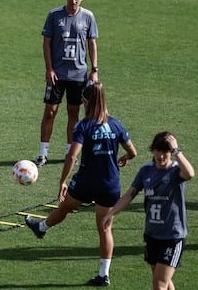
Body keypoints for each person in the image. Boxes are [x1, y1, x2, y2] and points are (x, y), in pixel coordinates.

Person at [25, 82, 137, 286]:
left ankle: (42, 227)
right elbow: (133, 151)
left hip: (86, 182)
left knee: (66, 206)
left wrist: (63, 181)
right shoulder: (116, 124)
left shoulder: (83, 126)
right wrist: (125, 158)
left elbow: (71, 156)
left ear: (86, 101)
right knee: (105, 229)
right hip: (109, 184)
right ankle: (104, 274)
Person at [102, 132, 195, 290]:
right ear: (153, 151)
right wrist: (111, 213)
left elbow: (190, 174)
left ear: (170, 153)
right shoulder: (146, 170)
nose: (161, 156)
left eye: (165, 152)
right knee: (162, 280)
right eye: (158, 151)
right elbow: (130, 194)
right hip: (152, 234)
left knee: (159, 284)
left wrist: (177, 151)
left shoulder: (175, 172)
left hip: (172, 236)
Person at [35, 0, 99, 167]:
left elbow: (92, 43)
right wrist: (49, 69)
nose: (73, 2)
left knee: (74, 112)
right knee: (50, 112)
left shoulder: (88, 16)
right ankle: (42, 153)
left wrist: (94, 69)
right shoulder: (54, 15)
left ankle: (69, 152)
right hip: (57, 74)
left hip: (79, 74)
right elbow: (47, 43)